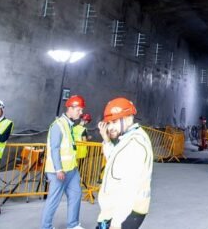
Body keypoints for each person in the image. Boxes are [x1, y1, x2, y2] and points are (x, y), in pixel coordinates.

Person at [96, 97, 153, 229]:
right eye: (108, 123)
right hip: (113, 210)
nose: (110, 127)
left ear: (128, 119)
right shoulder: (127, 138)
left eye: (114, 121)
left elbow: (129, 188)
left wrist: (116, 223)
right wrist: (107, 140)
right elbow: (115, 162)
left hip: (125, 213)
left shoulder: (135, 144)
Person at [41, 95, 86, 229]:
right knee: (53, 200)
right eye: (79, 109)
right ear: (71, 108)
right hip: (58, 172)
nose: (81, 113)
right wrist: (58, 169)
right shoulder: (58, 125)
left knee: (76, 195)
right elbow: (54, 149)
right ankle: (46, 227)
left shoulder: (70, 125)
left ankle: (73, 225)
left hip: (71, 170)